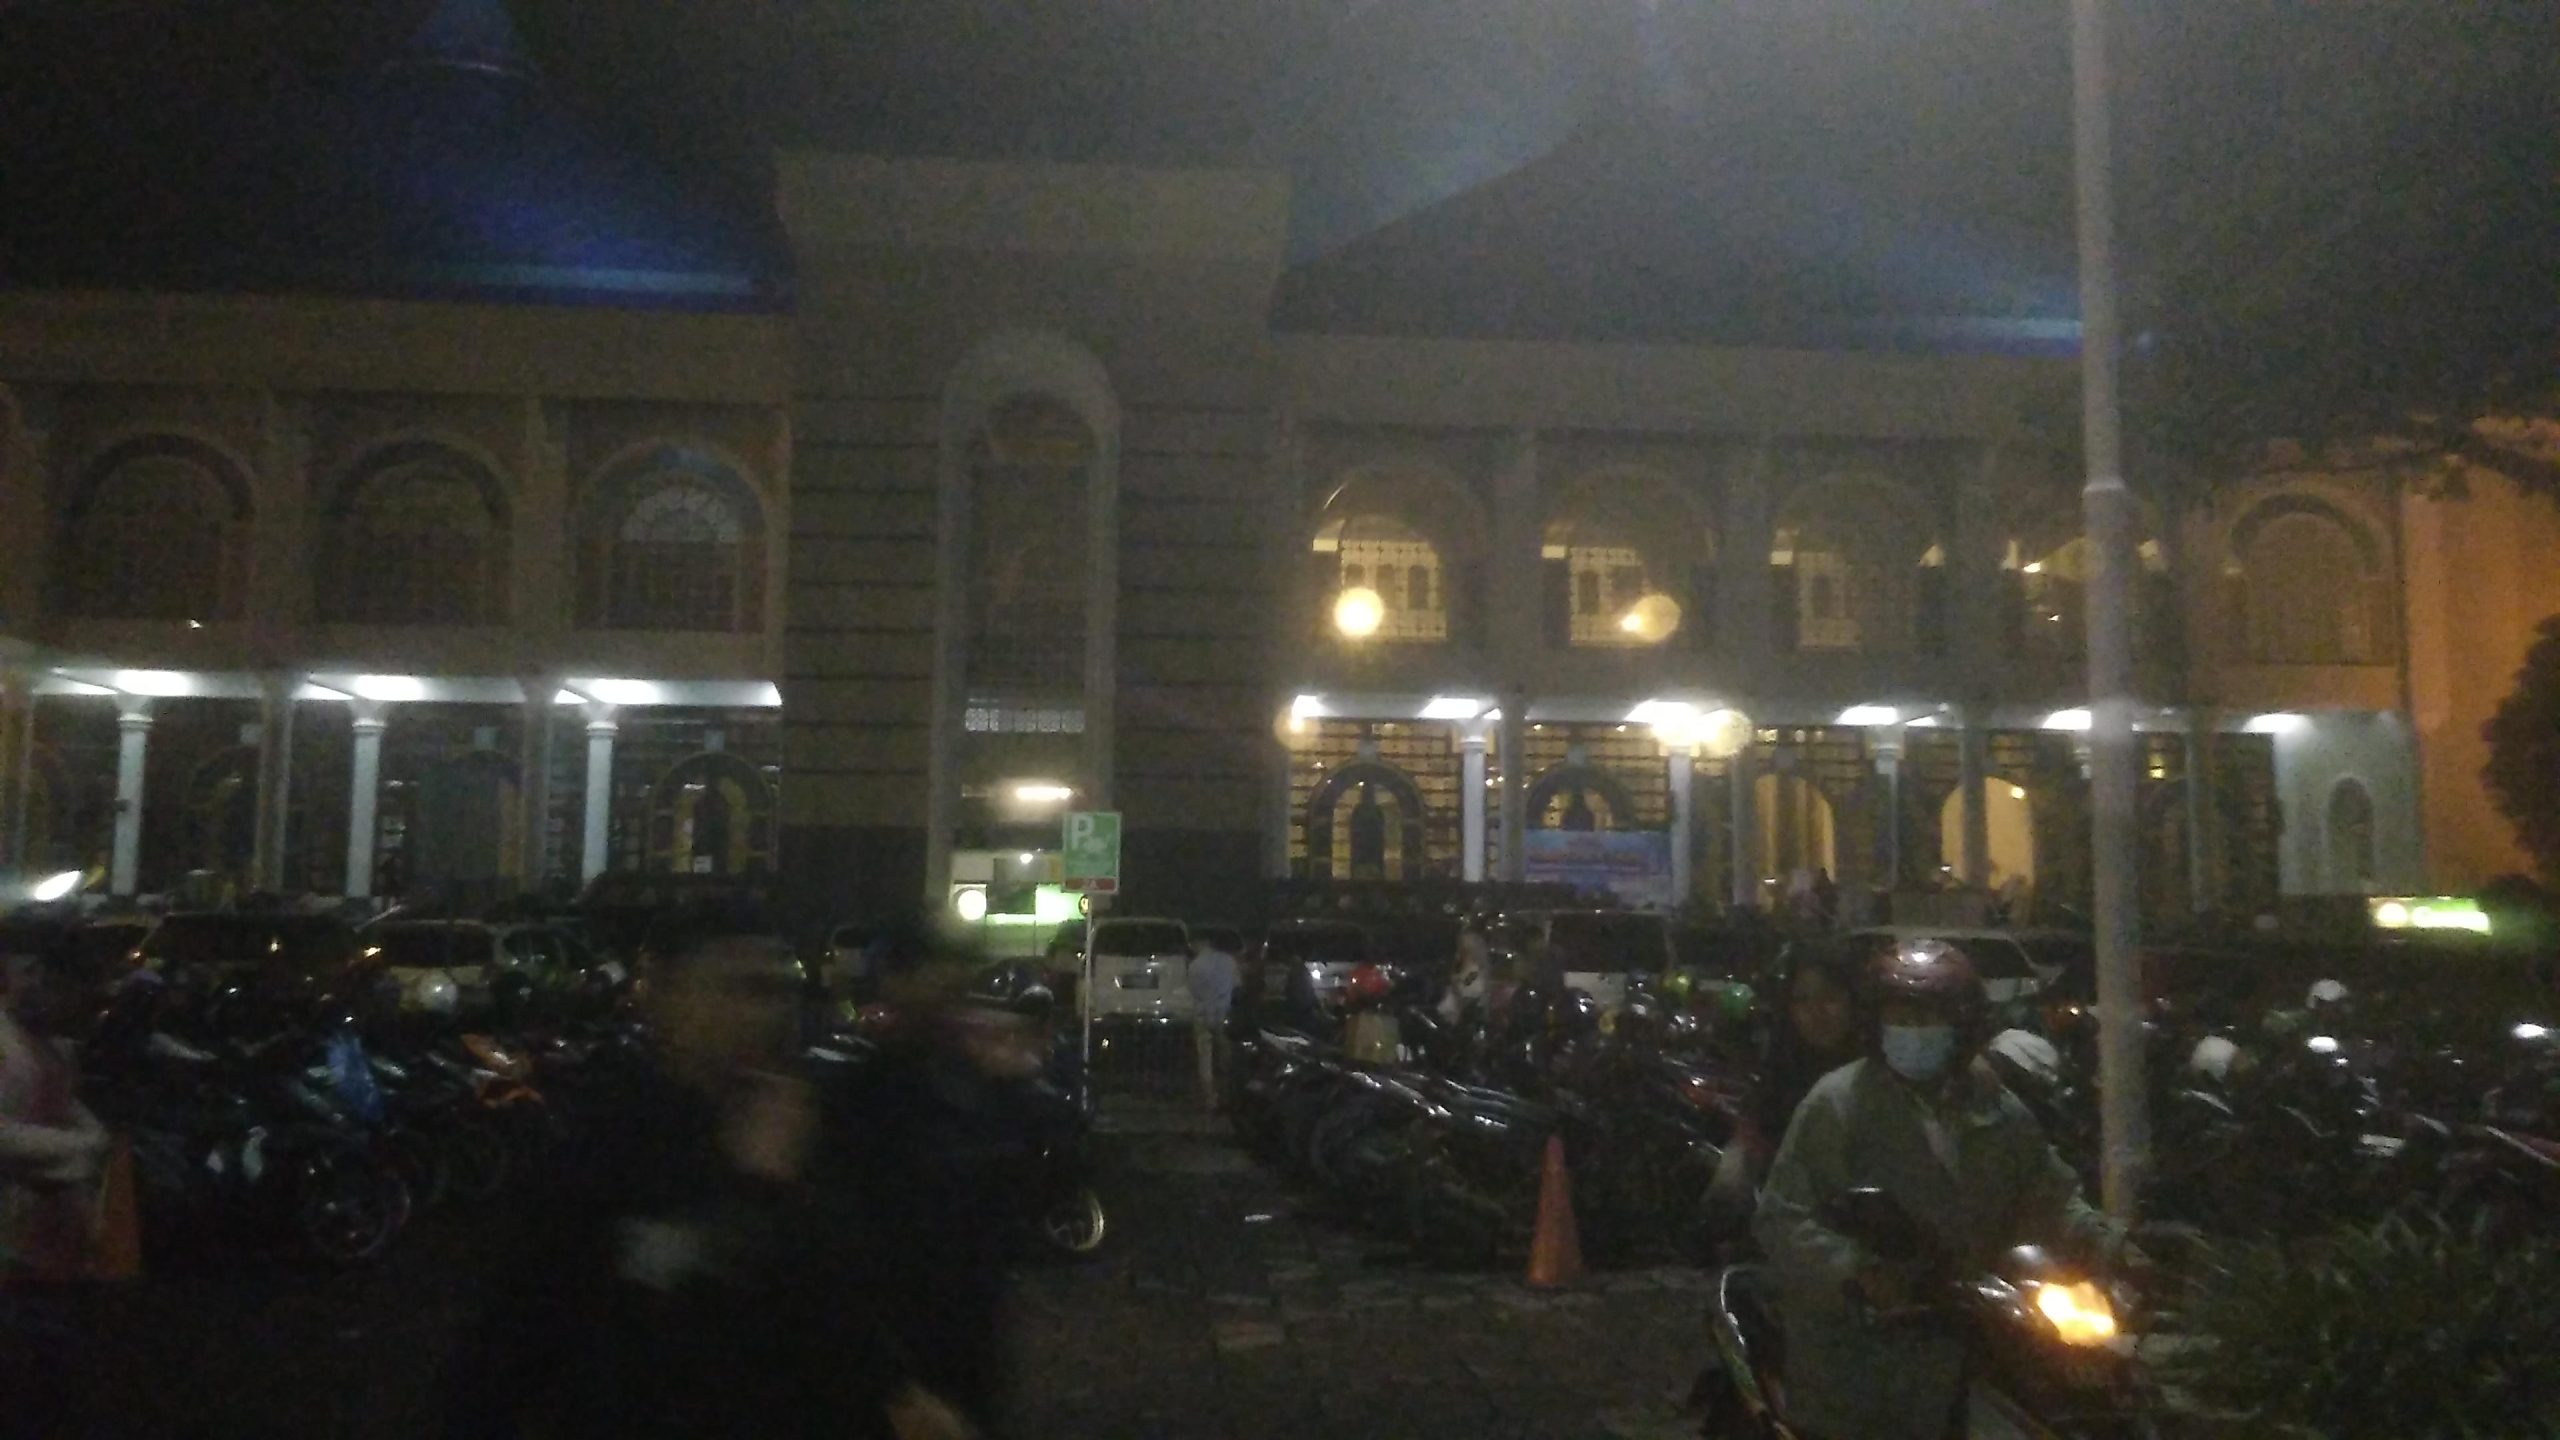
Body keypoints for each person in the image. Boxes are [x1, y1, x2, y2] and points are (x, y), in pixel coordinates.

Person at [445, 932, 995, 1439]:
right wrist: (755, 1192)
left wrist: (894, 1390)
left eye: (781, 991)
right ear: (670, 1000)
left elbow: (835, 1295)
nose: (769, 1014)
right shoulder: (608, 1143)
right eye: (742, 990)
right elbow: (553, 1334)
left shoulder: (813, 1122)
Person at [1754, 938, 2121, 1440]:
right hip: (1859, 1364)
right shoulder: (1838, 1105)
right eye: (1900, 1018)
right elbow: (1782, 1217)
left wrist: (2114, 1243)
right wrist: (1857, 1272)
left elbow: (2050, 1195)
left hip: (1974, 1346)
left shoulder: (1997, 1107)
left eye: (1927, 1018)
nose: (1913, 1031)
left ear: (1962, 1025)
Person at [2, 936, 112, 1440]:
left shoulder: (55, 1049)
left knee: (52, 1395)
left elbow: (69, 1113)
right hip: (11, 1263)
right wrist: (78, 1151)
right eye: (26, 971)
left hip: (56, 1258)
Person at [1704, 941, 1867, 1234]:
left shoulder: (1877, 1074)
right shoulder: (1783, 1073)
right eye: (1801, 1001)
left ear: (1853, 1000)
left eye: (1830, 997)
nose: (1816, 1012)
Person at [1186, 928, 1240, 1112]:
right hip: (1224, 1013)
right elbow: (1237, 986)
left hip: (1202, 1014)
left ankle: (1210, 1099)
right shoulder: (1228, 961)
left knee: (1205, 1057)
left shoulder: (1195, 965)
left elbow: (1192, 990)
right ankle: (1228, 1093)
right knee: (1226, 1054)